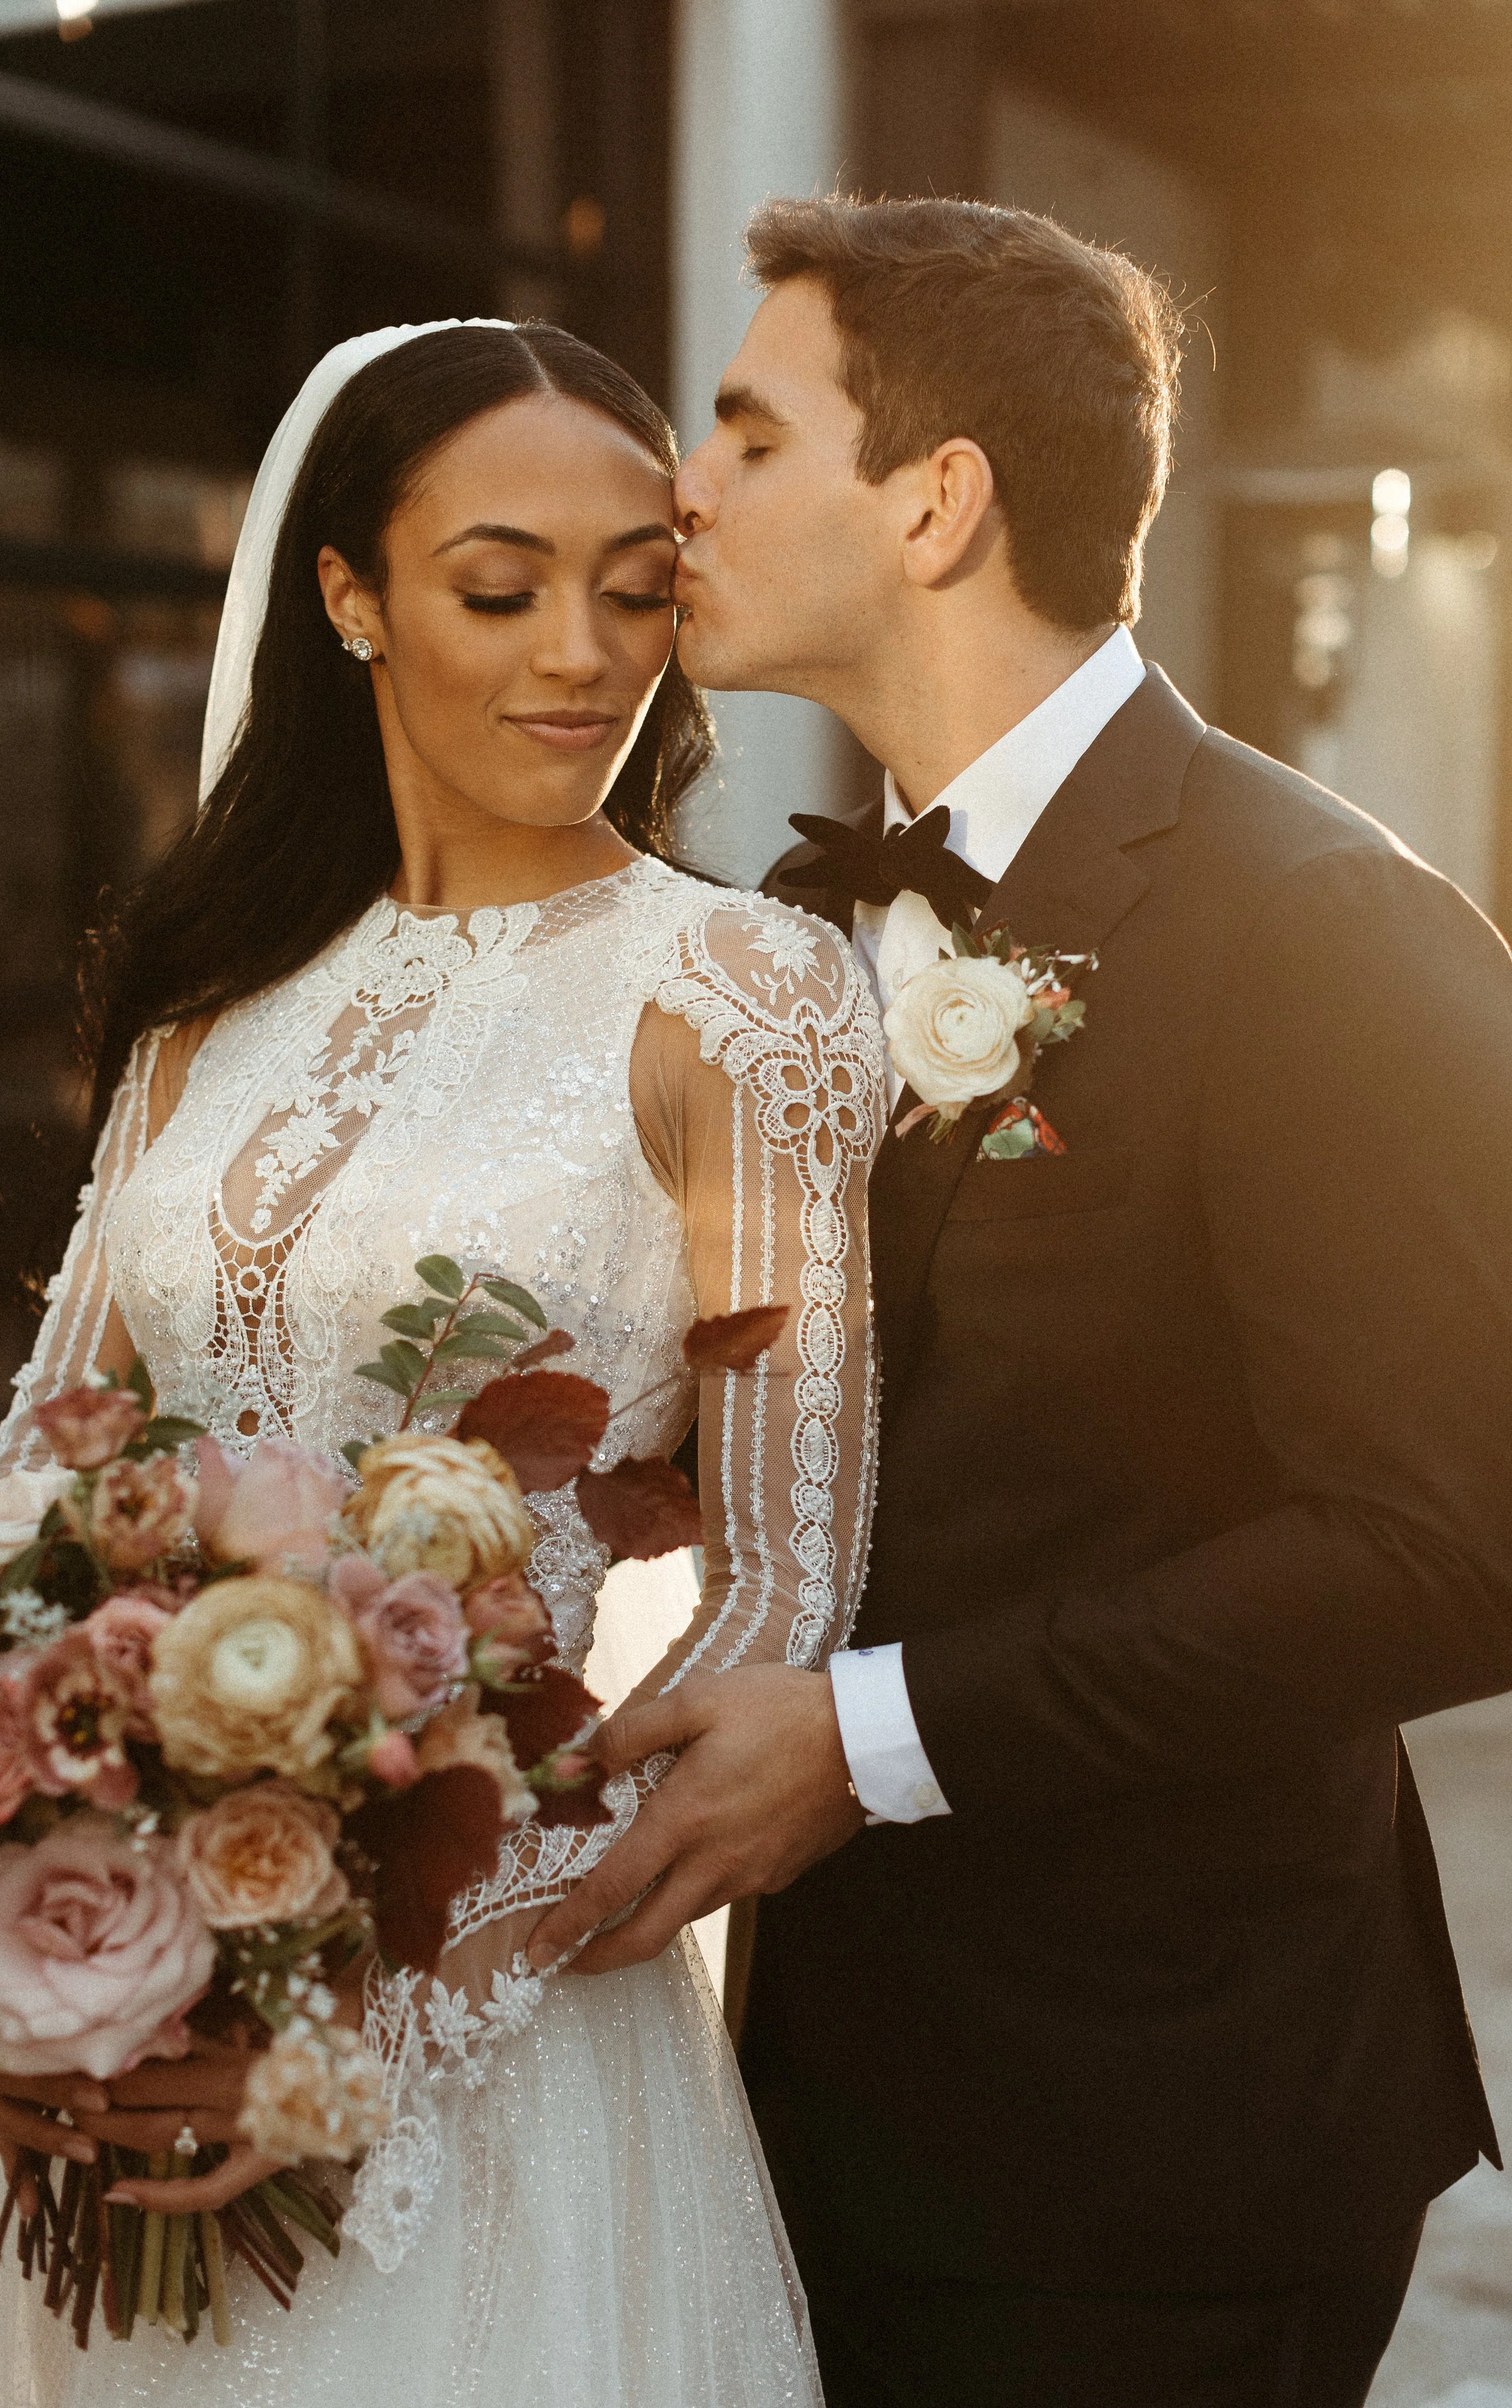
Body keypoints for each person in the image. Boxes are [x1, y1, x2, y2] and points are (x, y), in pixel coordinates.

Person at [528, 199, 1512, 2407]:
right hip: (820, 2119)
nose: (684, 490)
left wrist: (869, 1740)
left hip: (1153, 2158)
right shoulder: (802, 927)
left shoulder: (1317, 926)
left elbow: (1454, 1544)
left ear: (938, 500)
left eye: (750, 434)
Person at [0, 316, 883, 2407]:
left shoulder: (747, 995)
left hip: (496, 2061)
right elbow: (23, 1502)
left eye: (638, 590)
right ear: (347, 596)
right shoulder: (207, 1005)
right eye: (499, 585)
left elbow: (784, 1601)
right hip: (126, 2026)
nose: (581, 654)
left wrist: (342, 2021)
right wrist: (70, 1925)